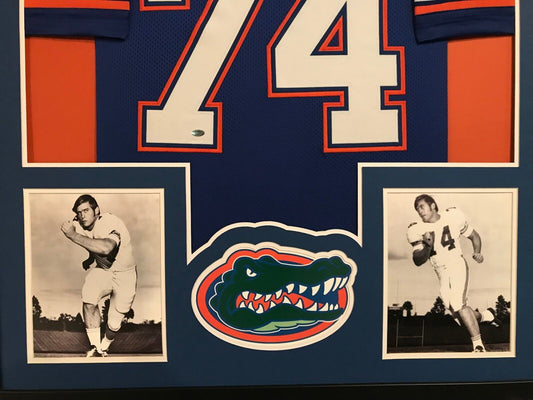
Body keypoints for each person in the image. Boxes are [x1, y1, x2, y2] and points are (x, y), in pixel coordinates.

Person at [406, 194, 497, 353]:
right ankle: (486, 316)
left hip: (456, 264)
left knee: (457, 303)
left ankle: (478, 346)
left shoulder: (453, 216)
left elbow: (474, 236)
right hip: (440, 271)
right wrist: (427, 246)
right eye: (417, 209)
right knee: (458, 316)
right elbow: (417, 260)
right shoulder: (417, 229)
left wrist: (477, 252)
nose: (419, 211)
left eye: (421, 206)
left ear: (432, 206)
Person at [61, 194, 137, 357]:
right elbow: (92, 240)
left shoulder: (110, 222)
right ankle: (95, 348)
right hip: (104, 270)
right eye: (79, 212)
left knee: (114, 322)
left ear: (97, 210)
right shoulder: (80, 223)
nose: (82, 216)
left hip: (125, 274)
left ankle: (104, 346)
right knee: (89, 294)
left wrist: (73, 235)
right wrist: (90, 258)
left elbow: (106, 248)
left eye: (86, 210)